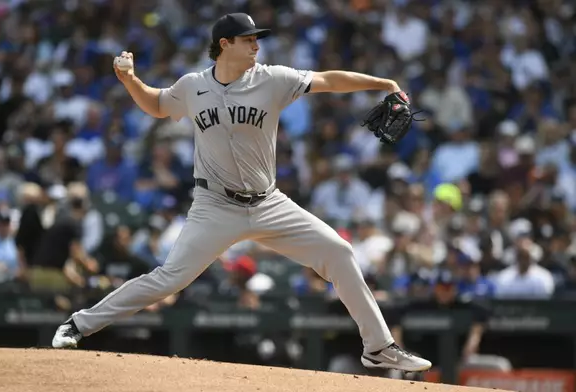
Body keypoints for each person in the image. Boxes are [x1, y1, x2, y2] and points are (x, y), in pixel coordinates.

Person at [51, 13, 431, 372]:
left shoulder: (274, 79)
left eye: (256, 40)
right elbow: (156, 105)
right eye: (248, 40)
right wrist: (130, 81)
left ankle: (377, 347)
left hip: (269, 203)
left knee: (338, 251)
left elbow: (329, 79)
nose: (256, 46)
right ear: (224, 43)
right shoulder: (192, 86)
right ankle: (78, 325)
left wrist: (384, 84)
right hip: (214, 205)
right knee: (169, 278)